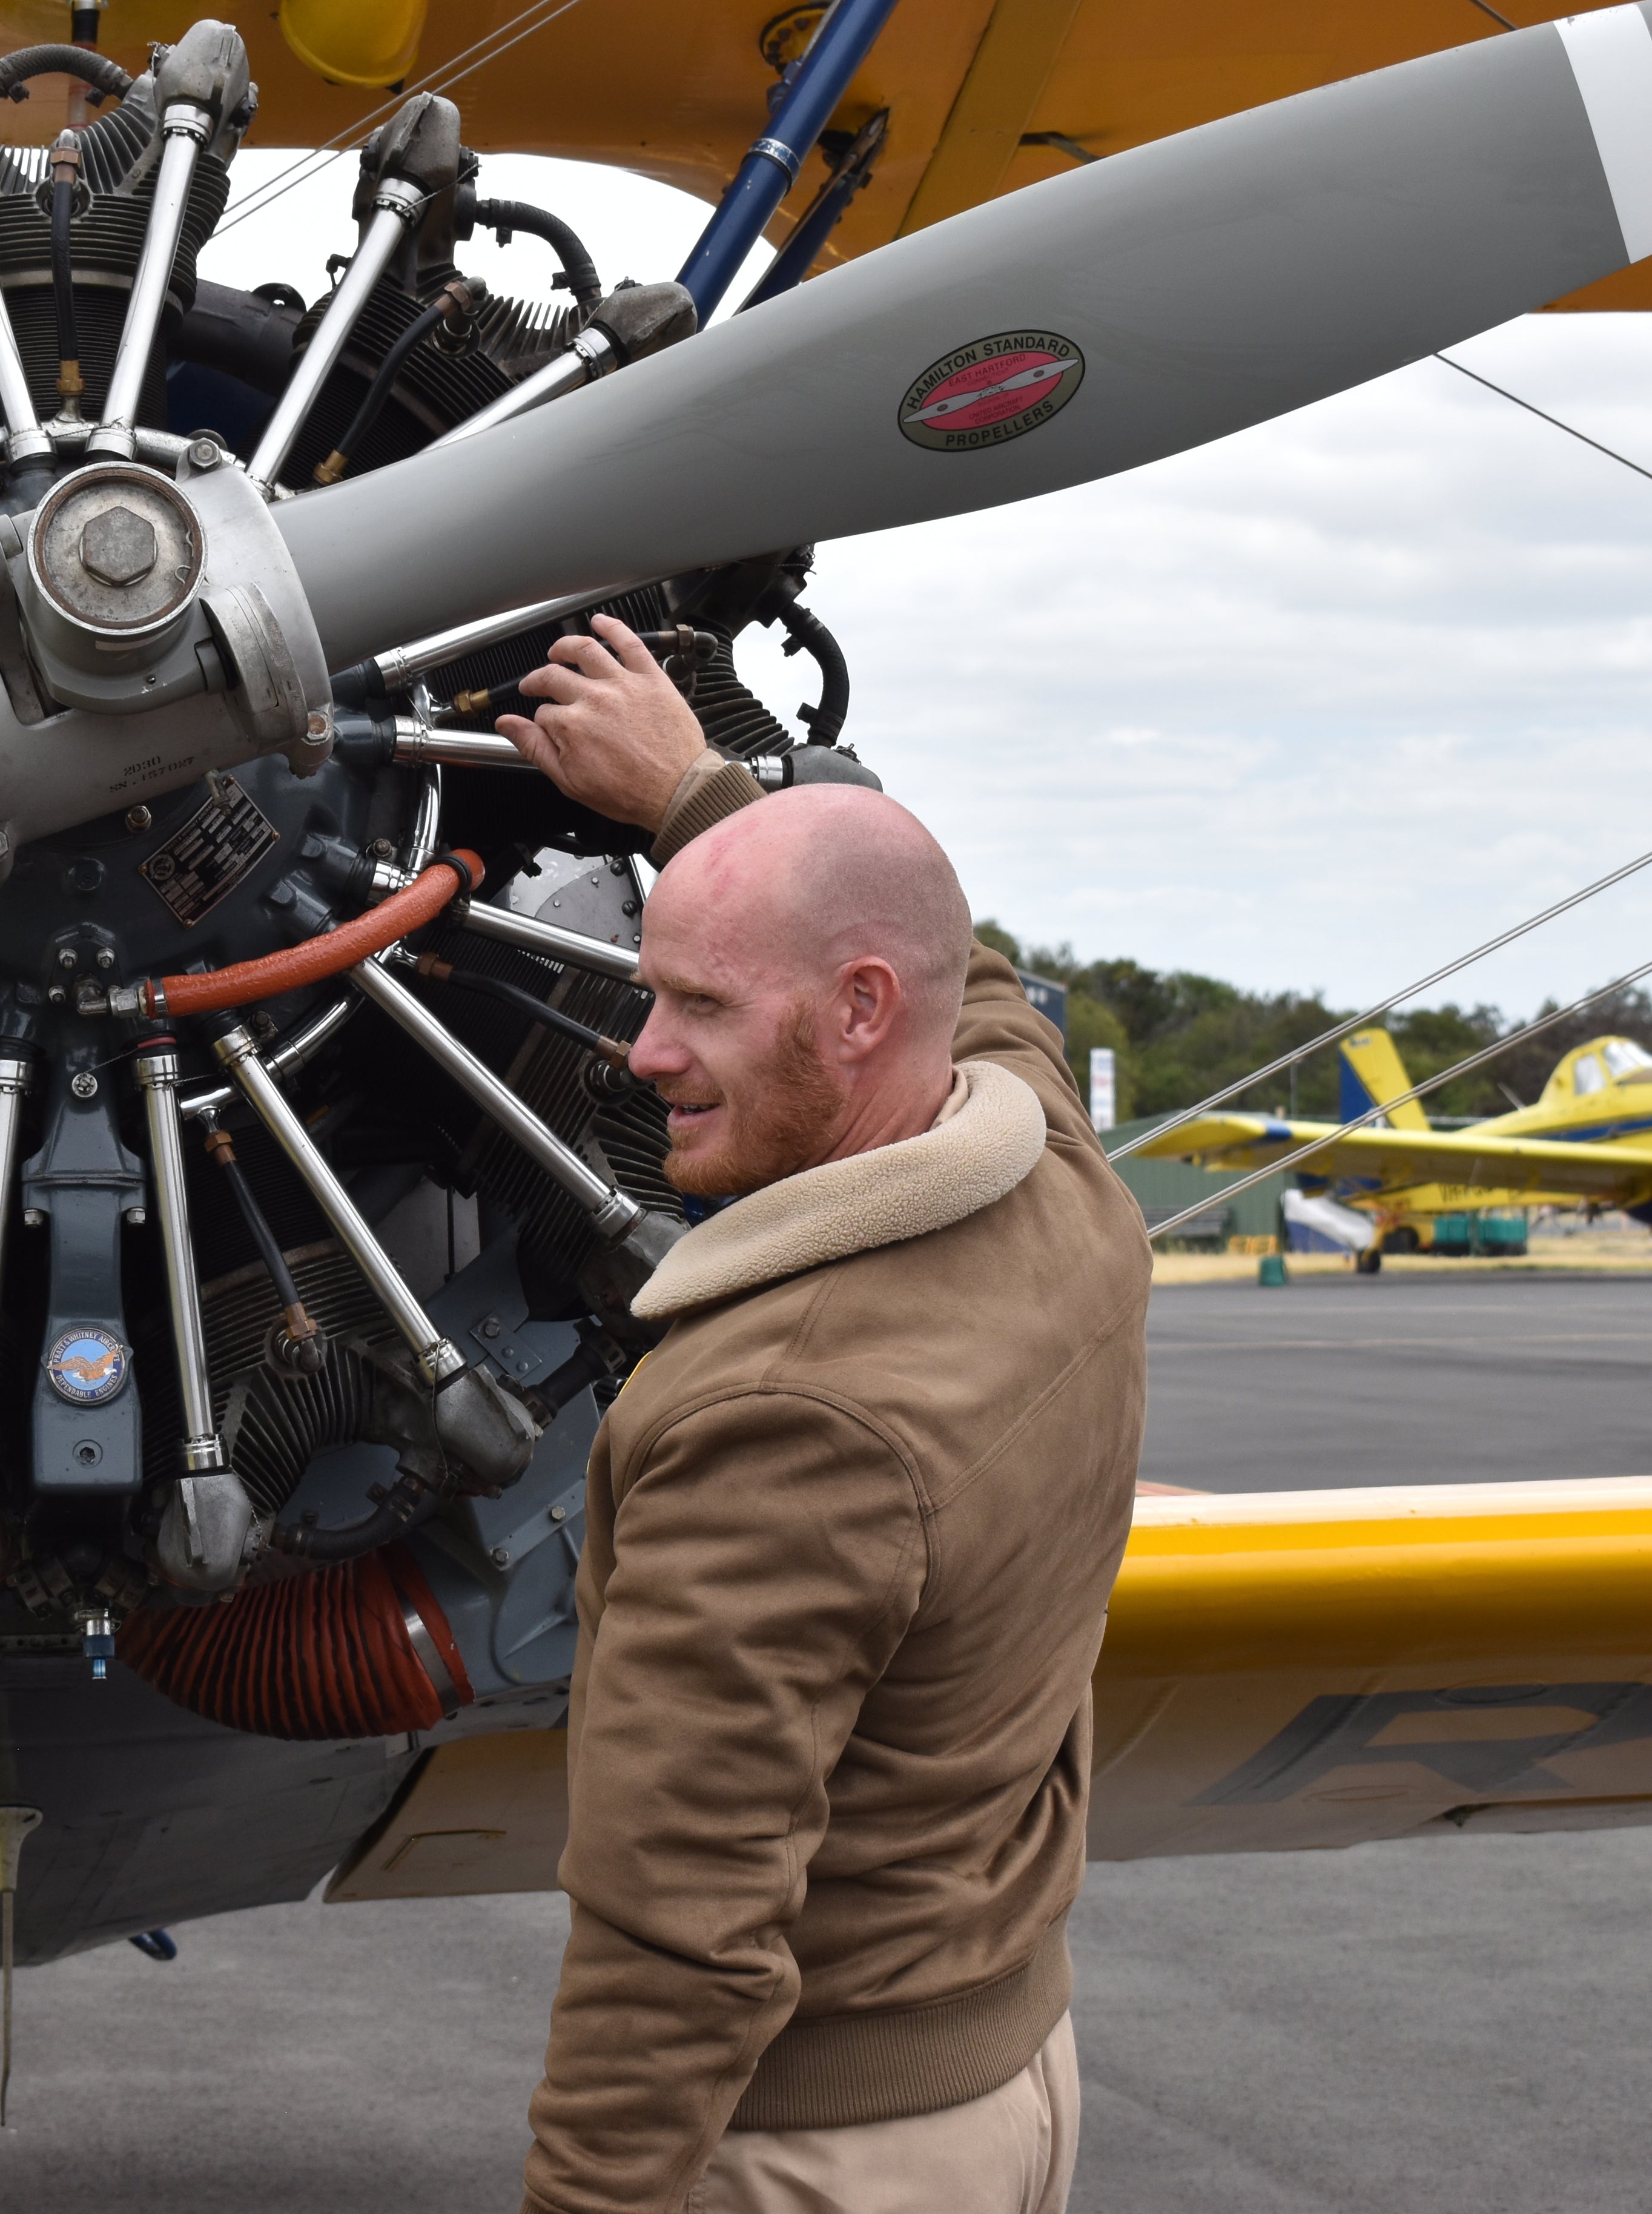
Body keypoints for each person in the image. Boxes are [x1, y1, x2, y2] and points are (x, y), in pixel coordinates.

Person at [495, 619, 1151, 2214]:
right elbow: (972, 979)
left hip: (823, 2146)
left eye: (702, 1006)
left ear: (861, 1012)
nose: (644, 1054)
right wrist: (696, 789)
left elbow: (679, 1929)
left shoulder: (783, 1422)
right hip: (1010, 2077)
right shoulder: (1066, 1183)